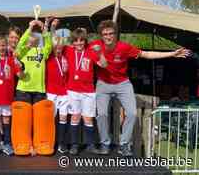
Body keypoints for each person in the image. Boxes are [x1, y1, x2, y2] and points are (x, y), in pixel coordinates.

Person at [91, 20, 190, 157]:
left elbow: (147, 54)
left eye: (111, 33)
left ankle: (124, 144)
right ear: (101, 36)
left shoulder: (124, 47)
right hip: (103, 83)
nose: (108, 36)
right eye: (105, 34)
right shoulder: (95, 46)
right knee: (102, 114)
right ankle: (105, 144)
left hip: (122, 83)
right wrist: (100, 53)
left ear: (115, 34)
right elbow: (102, 64)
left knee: (132, 113)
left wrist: (171, 54)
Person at [12, 18, 54, 156]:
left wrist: (44, 30)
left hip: (39, 90)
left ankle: (40, 145)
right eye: (30, 37)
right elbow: (19, 45)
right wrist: (30, 27)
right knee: (23, 121)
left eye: (35, 37)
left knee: (40, 122)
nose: (32, 40)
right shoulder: (22, 51)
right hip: (23, 89)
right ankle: (24, 145)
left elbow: (49, 44)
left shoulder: (42, 52)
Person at [63, 27, 107, 156]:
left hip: (88, 91)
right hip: (72, 90)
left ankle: (90, 145)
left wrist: (100, 53)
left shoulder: (91, 51)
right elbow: (55, 42)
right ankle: (75, 145)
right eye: (76, 40)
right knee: (75, 117)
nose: (79, 43)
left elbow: (104, 65)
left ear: (85, 41)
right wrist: (52, 27)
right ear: (72, 42)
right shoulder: (69, 50)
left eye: (81, 40)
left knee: (88, 119)